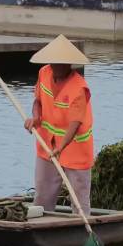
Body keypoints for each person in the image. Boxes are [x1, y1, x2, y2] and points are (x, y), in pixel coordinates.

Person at [23, 34, 94, 215]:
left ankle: (79, 228)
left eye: (60, 63)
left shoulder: (79, 88)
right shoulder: (44, 73)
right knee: (42, 193)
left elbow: (75, 123)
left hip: (75, 149)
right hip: (47, 144)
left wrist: (61, 147)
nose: (55, 67)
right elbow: (37, 101)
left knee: (79, 198)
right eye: (53, 62)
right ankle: (42, 225)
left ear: (69, 64)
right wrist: (36, 118)